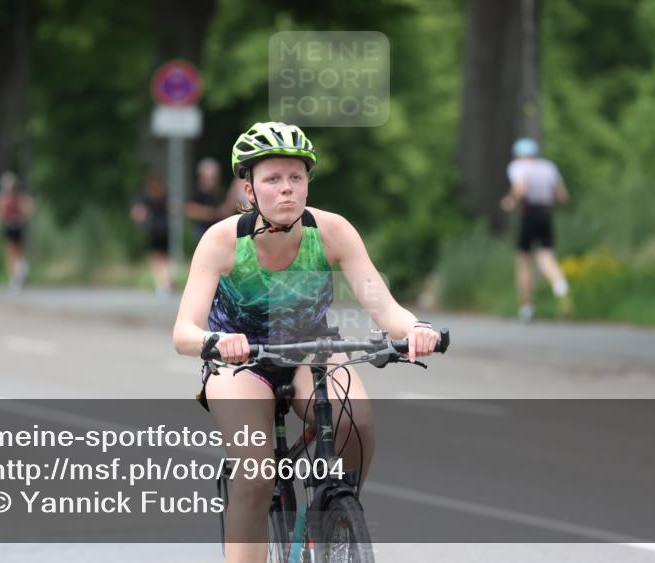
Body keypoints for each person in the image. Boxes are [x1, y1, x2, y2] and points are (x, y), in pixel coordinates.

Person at [172, 121, 439, 563]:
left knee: (359, 420)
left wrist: (415, 331)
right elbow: (184, 332)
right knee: (256, 478)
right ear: (249, 189)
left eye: (296, 178)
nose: (286, 190)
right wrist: (217, 342)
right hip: (242, 360)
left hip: (310, 350)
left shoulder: (332, 231)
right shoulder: (222, 241)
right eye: (272, 179)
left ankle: (336, 513)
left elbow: (384, 307)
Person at [500, 137, 571, 323]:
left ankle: (526, 308)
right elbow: (563, 196)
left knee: (523, 261)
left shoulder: (518, 166)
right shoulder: (548, 167)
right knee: (546, 256)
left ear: (519, 155)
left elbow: (521, 187)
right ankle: (561, 287)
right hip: (546, 214)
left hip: (529, 214)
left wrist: (510, 201)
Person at [131, 173, 173, 294]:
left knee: (156, 259)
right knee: (164, 259)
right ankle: (166, 283)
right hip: (165, 229)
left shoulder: (147, 198)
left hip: (156, 229)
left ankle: (162, 284)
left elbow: (138, 213)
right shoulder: (164, 197)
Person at [0, 171, 34, 291]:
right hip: (19, 225)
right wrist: (21, 218)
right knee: (19, 251)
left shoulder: (3, 197)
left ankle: (16, 277)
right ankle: (21, 271)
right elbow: (29, 209)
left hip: (9, 226)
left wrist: (6, 218)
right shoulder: (19, 196)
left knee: (10, 252)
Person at [185, 157, 225, 240]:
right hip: (202, 230)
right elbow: (190, 210)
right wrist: (207, 213)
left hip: (217, 229)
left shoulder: (218, 193)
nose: (212, 182)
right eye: (210, 178)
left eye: (214, 178)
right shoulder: (196, 192)